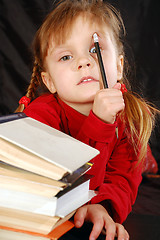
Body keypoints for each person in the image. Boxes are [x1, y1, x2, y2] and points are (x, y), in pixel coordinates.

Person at [16, 0, 157, 239]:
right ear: (49, 82)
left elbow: (121, 180)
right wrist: (99, 123)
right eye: (66, 57)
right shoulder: (40, 118)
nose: (83, 62)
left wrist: (103, 206)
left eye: (94, 49)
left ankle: (149, 161)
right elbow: (62, 188)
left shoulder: (130, 119)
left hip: (131, 161)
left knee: (141, 163)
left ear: (119, 66)